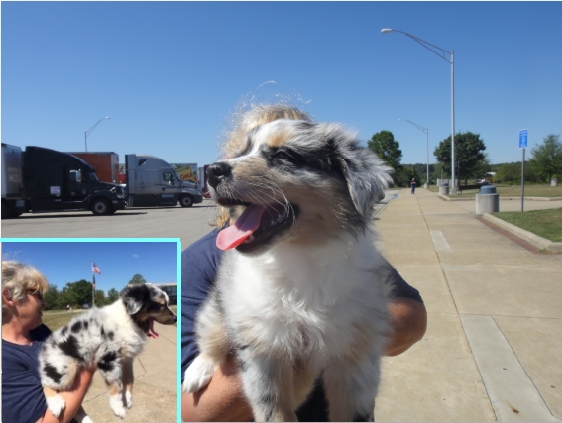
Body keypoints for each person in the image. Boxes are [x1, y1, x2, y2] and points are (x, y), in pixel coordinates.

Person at [181, 104, 427, 421]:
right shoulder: (199, 262)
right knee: (218, 332)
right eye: (243, 153)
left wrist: (354, 335)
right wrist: (283, 351)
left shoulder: (357, 252)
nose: (232, 166)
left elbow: (414, 317)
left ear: (345, 174)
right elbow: (193, 414)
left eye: (281, 156)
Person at [2, 260, 94, 423]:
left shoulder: (40, 331)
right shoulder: (5, 358)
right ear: (9, 296)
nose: (44, 302)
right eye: (38, 294)